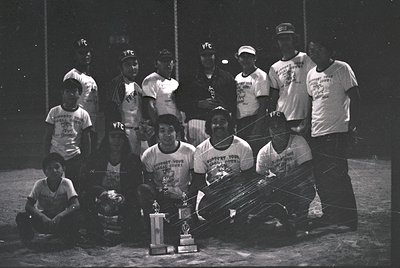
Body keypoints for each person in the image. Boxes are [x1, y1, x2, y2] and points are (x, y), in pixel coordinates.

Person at [306, 33, 360, 230]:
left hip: (336, 131)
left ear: (329, 51)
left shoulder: (341, 68)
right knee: (321, 177)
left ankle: (348, 219)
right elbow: (314, 102)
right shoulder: (311, 74)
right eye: (311, 50)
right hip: (317, 133)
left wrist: (352, 126)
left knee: (338, 175)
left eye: (319, 49)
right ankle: (330, 215)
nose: (314, 53)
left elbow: (355, 97)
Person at [189, 106, 254, 234]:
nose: (218, 125)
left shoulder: (242, 146)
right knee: (204, 209)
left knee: (246, 213)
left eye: (222, 121)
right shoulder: (201, 149)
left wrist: (234, 181)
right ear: (209, 126)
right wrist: (212, 194)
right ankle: (223, 219)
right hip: (215, 190)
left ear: (229, 124)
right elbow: (198, 180)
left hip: (236, 188)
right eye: (214, 122)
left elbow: (249, 175)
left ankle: (239, 220)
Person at [79, 121, 144, 242]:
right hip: (100, 196)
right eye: (113, 136)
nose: (116, 140)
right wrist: (101, 193)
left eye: (120, 137)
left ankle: (128, 233)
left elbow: (136, 184)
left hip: (122, 198)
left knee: (134, 203)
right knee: (84, 198)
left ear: (125, 140)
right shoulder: (96, 157)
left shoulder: (133, 160)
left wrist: (121, 197)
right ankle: (94, 233)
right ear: (107, 138)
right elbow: (87, 182)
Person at [256, 111, 316, 230]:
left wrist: (279, 181)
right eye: (273, 126)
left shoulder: (298, 141)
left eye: (280, 125)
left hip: (297, 185)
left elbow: (306, 169)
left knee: (305, 187)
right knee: (262, 186)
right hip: (281, 187)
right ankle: (279, 214)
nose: (276, 129)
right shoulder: (264, 152)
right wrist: (264, 183)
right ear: (269, 130)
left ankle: (300, 214)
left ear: (286, 127)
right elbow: (259, 176)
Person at [137, 114, 195, 235]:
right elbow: (148, 182)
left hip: (182, 198)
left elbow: (195, 180)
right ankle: (152, 229)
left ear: (177, 132)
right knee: (143, 189)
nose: (167, 135)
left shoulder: (189, 151)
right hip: (161, 198)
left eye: (170, 130)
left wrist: (184, 194)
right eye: (162, 131)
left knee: (185, 231)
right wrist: (160, 192)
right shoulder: (149, 154)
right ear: (157, 134)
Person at [175, 41, 237, 147]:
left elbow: (234, 102)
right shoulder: (190, 78)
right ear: (199, 57)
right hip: (198, 122)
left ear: (215, 56)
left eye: (210, 55)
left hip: (221, 123)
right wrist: (198, 104)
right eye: (204, 55)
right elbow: (179, 101)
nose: (207, 58)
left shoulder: (226, 76)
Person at [15, 153, 80, 246]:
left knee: (76, 216)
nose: (53, 170)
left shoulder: (67, 183)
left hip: (59, 220)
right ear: (44, 171)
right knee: (22, 217)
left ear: (63, 169)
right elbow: (28, 206)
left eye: (57, 167)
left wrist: (60, 216)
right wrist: (42, 216)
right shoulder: (40, 184)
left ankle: (67, 240)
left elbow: (76, 204)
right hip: (43, 220)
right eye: (49, 168)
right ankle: (28, 242)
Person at [44, 78, 92, 192]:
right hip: (56, 155)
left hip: (74, 156)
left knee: (74, 186)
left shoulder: (83, 114)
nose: (71, 94)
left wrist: (85, 160)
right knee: (55, 185)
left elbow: (87, 140)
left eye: (74, 91)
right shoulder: (54, 112)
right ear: (62, 93)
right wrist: (47, 155)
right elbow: (47, 136)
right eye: (67, 91)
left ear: (79, 94)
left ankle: (74, 206)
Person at [268, 23, 316, 138]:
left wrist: (308, 118)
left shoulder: (306, 58)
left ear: (293, 39)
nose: (284, 42)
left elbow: (313, 88)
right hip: (283, 118)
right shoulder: (274, 68)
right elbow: (274, 97)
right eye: (281, 39)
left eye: (287, 39)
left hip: (303, 116)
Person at [106, 48, 153, 156]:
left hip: (139, 132)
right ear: (120, 68)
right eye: (128, 65)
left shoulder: (136, 86)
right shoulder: (117, 84)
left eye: (135, 64)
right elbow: (111, 111)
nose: (132, 68)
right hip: (125, 132)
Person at [142, 49, 184, 145]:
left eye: (170, 61)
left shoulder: (175, 83)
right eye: (164, 61)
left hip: (175, 127)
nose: (168, 64)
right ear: (156, 63)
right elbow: (150, 105)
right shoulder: (151, 80)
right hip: (161, 128)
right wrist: (158, 128)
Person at [234, 45, 270, 156]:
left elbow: (263, 104)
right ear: (238, 58)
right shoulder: (237, 78)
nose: (246, 60)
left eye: (249, 57)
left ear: (255, 58)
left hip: (254, 120)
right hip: (241, 122)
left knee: (256, 154)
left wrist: (257, 128)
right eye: (243, 57)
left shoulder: (261, 76)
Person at [64, 38, 98, 150]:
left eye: (88, 52)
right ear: (75, 55)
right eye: (81, 53)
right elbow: (67, 103)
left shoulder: (91, 78)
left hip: (90, 126)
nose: (86, 55)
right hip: (77, 128)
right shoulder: (72, 75)